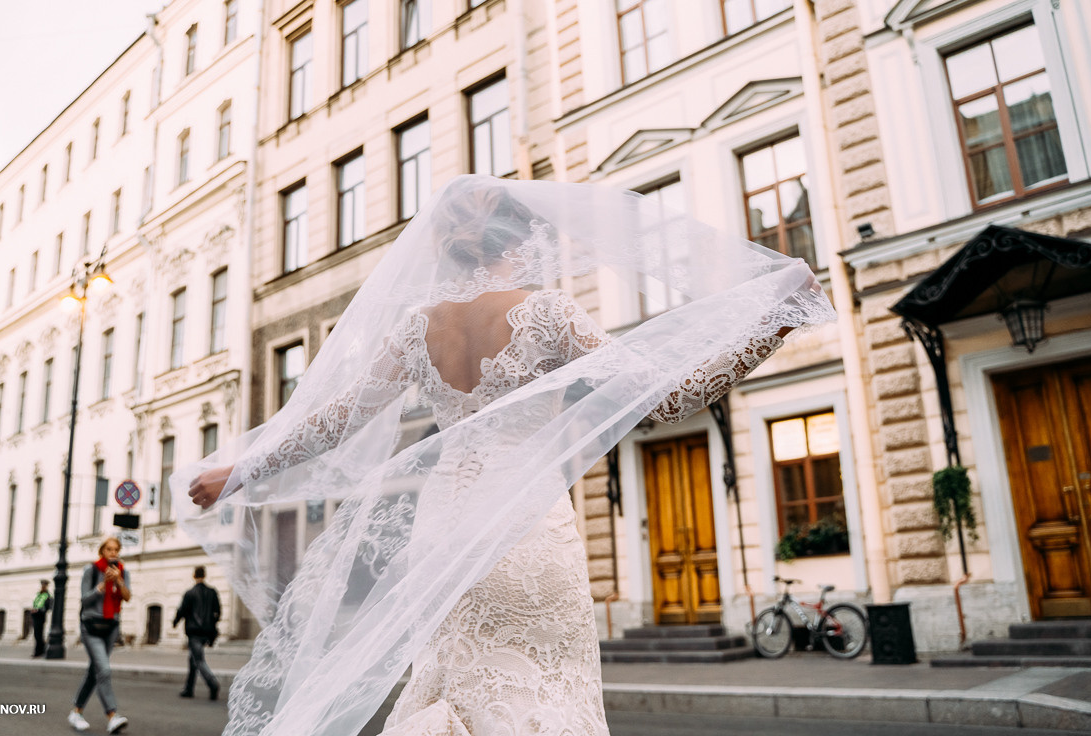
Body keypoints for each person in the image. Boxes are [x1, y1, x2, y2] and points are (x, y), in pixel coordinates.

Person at [178, 176, 835, 736]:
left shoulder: (419, 326)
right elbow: (666, 401)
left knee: (454, 684)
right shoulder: (545, 312)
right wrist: (775, 321)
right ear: (521, 242)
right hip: (526, 527)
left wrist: (239, 471)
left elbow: (335, 421)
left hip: (443, 532)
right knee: (542, 693)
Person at [68, 537, 131, 734]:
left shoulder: (123, 571)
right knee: (103, 669)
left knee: (95, 671)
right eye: (109, 549)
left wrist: (119, 580)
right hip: (91, 627)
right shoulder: (92, 570)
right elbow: (84, 599)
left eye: (116, 549)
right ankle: (112, 715)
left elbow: (127, 597)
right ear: (102, 551)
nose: (113, 553)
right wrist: (101, 586)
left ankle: (76, 712)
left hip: (111, 627)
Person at [173, 566, 221, 700]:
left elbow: (182, 610)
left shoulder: (190, 593)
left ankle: (212, 683)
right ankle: (189, 689)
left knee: (198, 660)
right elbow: (218, 612)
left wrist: (175, 621)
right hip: (207, 631)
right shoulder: (212, 592)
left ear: (194, 576)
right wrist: (212, 625)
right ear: (204, 575)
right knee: (193, 658)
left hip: (194, 631)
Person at [31, 579, 52, 658]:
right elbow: (35, 604)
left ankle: (38, 651)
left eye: (44, 585)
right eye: (42, 585)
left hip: (40, 616)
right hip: (35, 616)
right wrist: (33, 610)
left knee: (39, 635)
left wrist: (38, 610)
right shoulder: (39, 595)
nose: (42, 587)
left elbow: (47, 607)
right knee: (37, 634)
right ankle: (42, 650)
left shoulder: (47, 595)